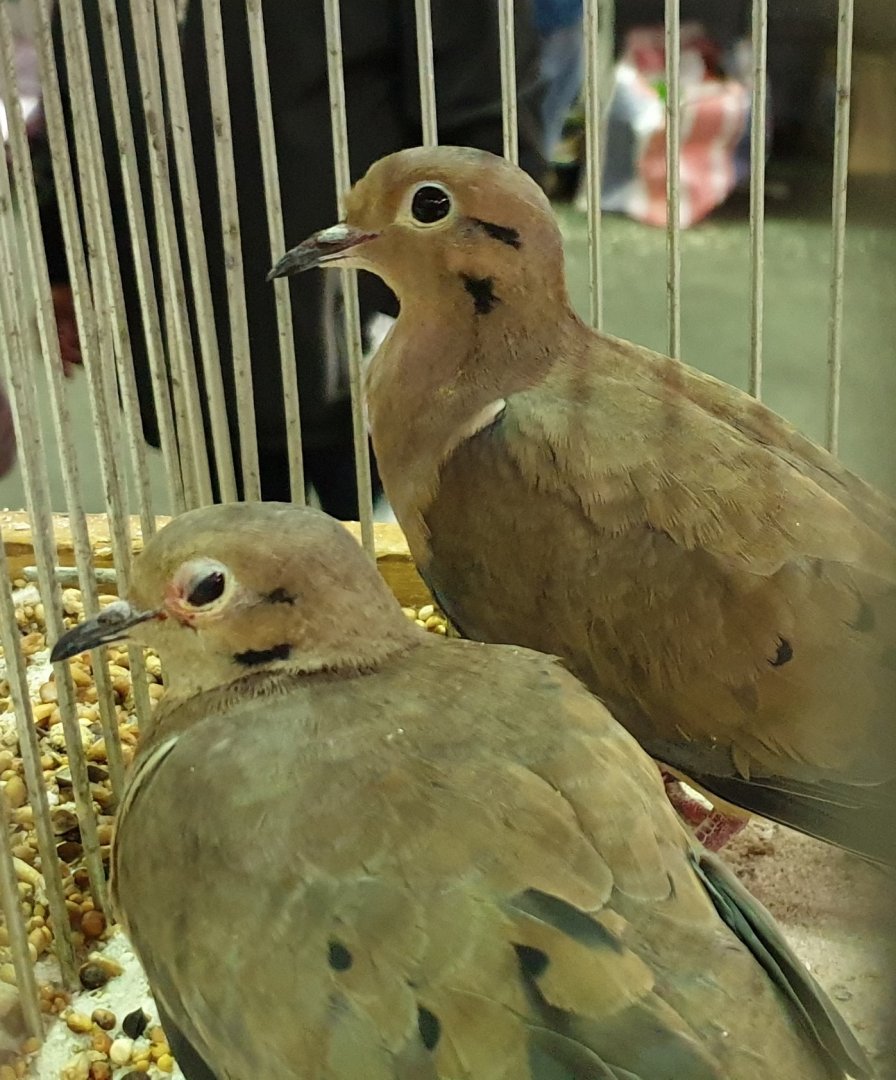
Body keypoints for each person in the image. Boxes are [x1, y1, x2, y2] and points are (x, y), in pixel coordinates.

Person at [41, 0, 546, 518]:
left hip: (373, 342)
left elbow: (487, 122)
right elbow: (71, 109)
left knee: (412, 553)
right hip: (182, 337)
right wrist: (64, 263)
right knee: (239, 550)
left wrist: (479, 318)